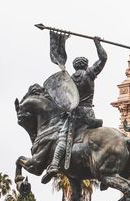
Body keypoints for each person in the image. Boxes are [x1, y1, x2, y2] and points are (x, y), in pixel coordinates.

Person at [41, 37, 107, 184]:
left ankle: (54, 164)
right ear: (86, 65)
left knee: (63, 138)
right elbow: (103, 58)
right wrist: (97, 43)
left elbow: (62, 97)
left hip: (74, 115)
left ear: (75, 66)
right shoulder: (89, 74)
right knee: (97, 139)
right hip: (89, 114)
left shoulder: (70, 79)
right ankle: (104, 168)